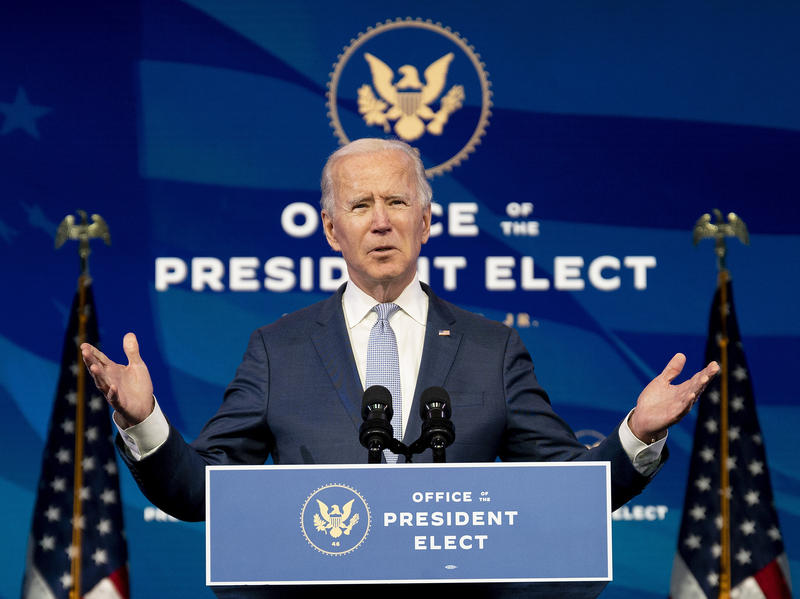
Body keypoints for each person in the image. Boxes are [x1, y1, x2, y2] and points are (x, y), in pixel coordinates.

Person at [81, 138, 718, 591]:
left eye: (397, 203)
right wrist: (146, 422)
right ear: (332, 231)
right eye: (360, 207)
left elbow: (571, 491)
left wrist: (640, 432)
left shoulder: (493, 348)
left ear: (426, 221)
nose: (381, 223)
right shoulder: (278, 348)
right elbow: (201, 494)